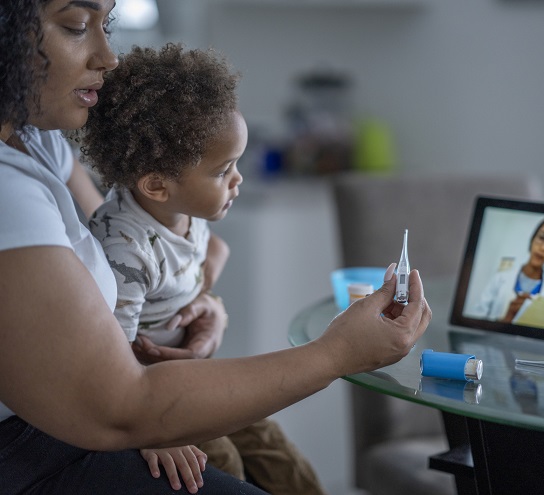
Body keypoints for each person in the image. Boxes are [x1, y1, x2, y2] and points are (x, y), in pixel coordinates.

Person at [0, 1, 431, 494]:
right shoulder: (6, 190)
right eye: (77, 26)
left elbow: (129, 232)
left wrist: (202, 300)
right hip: (39, 443)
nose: (108, 55)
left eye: (107, 23)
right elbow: (123, 405)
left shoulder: (35, 141)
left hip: (100, 408)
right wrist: (337, 353)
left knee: (281, 462)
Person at [81, 43, 326, 494]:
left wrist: (207, 289)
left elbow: (210, 250)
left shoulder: (179, 209)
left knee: (275, 448)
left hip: (191, 373)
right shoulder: (125, 251)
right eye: (223, 171)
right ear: (157, 184)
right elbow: (112, 359)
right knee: (224, 463)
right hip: (155, 392)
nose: (238, 180)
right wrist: (154, 431)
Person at [473, 215, 544, 322]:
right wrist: (506, 319)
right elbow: (475, 321)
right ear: (532, 239)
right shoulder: (500, 279)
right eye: (541, 237)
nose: (543, 247)